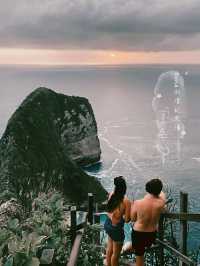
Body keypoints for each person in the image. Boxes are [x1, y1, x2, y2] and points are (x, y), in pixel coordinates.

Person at [130, 178, 166, 266]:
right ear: (159, 191)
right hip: (151, 235)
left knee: (139, 258)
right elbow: (163, 197)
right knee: (143, 248)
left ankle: (128, 248)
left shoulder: (138, 203)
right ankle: (129, 247)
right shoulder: (161, 203)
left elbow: (133, 219)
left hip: (138, 234)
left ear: (147, 189)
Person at [104, 176, 131, 266]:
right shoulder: (126, 201)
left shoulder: (112, 194)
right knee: (116, 254)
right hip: (116, 228)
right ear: (124, 188)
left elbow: (109, 210)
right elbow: (127, 220)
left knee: (109, 248)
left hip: (108, 224)